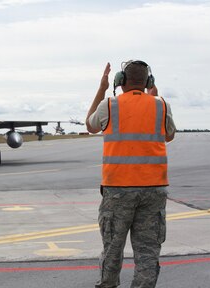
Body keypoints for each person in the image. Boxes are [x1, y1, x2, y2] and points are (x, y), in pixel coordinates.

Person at [86, 60, 176, 288]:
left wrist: (101, 88)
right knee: (148, 249)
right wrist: (154, 96)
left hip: (118, 190)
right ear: (148, 82)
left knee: (113, 246)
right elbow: (169, 136)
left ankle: (107, 284)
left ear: (120, 81)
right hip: (153, 189)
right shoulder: (161, 105)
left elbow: (90, 125)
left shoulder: (109, 105)